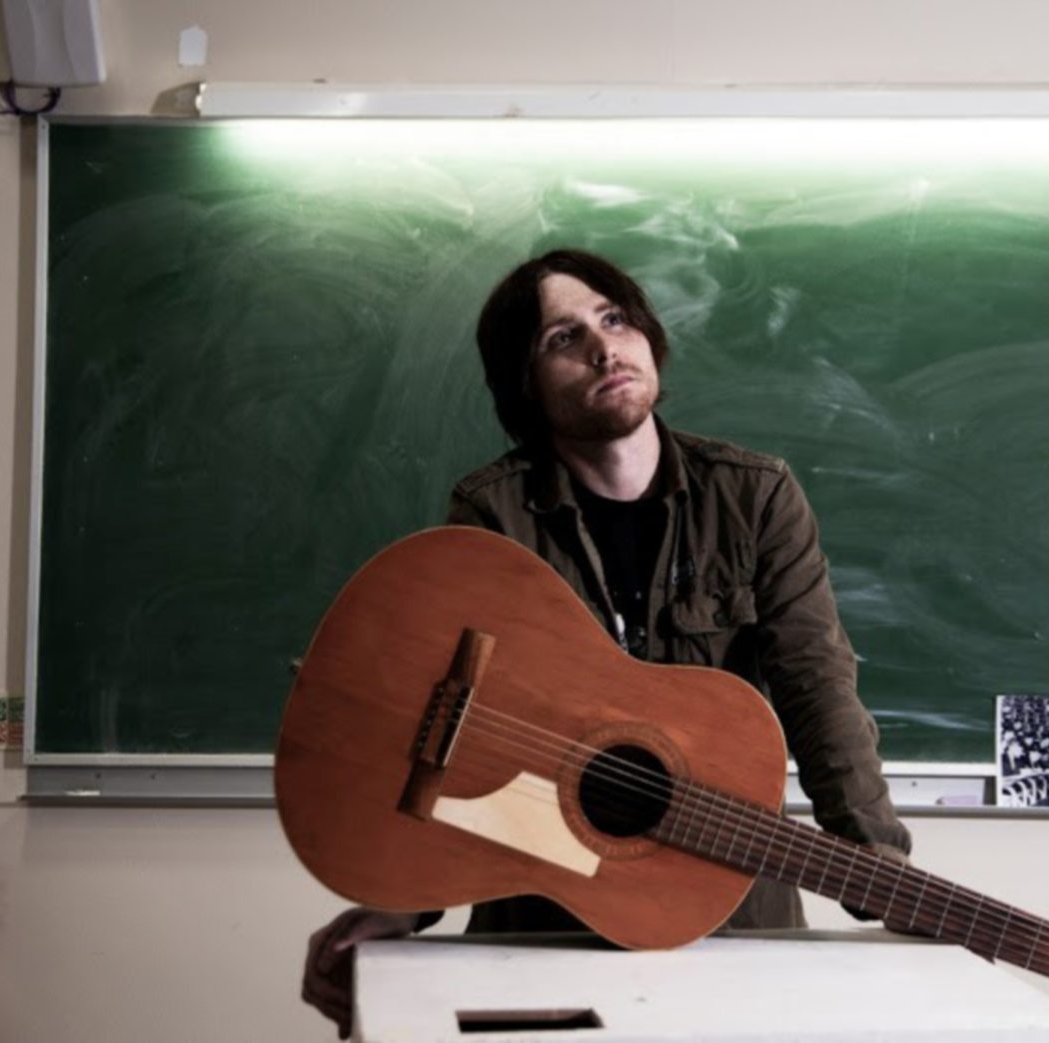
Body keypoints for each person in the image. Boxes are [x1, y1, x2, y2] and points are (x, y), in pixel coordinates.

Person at [301, 249, 911, 1036]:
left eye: (614, 318)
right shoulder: (493, 517)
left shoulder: (755, 496)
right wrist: (405, 904)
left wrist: (882, 876)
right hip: (540, 919)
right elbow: (458, 730)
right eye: (563, 337)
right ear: (527, 384)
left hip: (725, 909)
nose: (603, 347)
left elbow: (819, 688)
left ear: (648, 337)